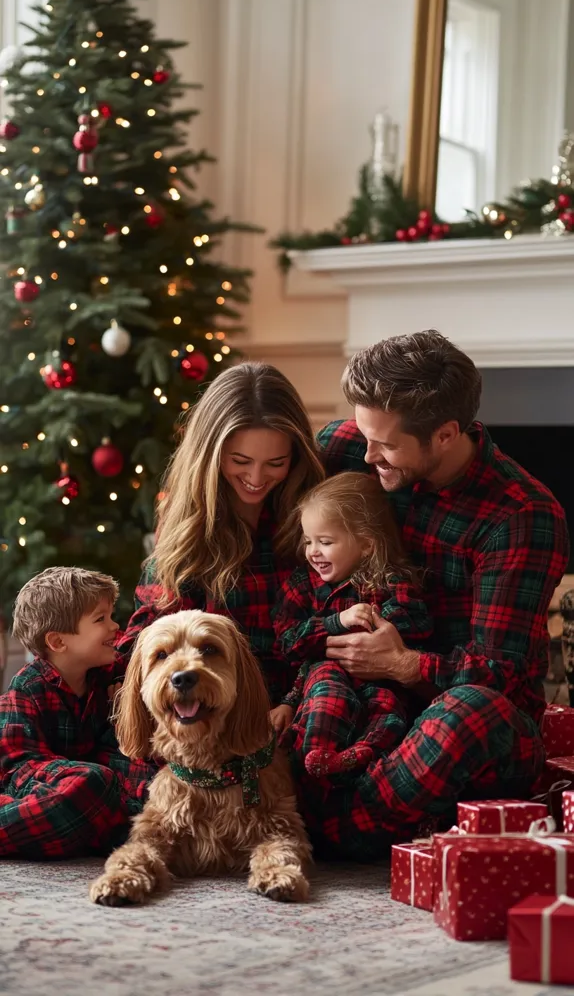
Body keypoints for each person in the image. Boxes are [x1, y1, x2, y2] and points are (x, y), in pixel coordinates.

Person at [291, 329, 569, 860]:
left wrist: (403, 664)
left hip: (454, 724)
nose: (367, 453)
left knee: (471, 710)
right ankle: (339, 810)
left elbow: (501, 676)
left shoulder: (520, 515)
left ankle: (333, 829)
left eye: (386, 444)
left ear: (444, 435)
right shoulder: (347, 447)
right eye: (364, 432)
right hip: (359, 707)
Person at [116, 362, 325, 705]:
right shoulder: (187, 520)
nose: (256, 478)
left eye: (276, 463)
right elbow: (157, 622)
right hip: (215, 704)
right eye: (240, 460)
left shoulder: (316, 512)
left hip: (304, 698)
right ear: (210, 453)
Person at [270, 472, 432, 776]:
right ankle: (315, 760)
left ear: (366, 544)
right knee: (326, 684)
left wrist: (381, 624)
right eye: (308, 541)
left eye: (325, 542)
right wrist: (336, 623)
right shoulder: (303, 586)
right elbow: (288, 643)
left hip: (379, 679)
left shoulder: (389, 581)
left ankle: (361, 753)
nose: (313, 552)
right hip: (320, 681)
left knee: (388, 707)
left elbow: (417, 622)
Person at [0, 567, 156, 859]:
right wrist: (77, 777)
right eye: (100, 619)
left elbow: (118, 751)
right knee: (93, 783)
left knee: (156, 788)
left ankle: (89, 827)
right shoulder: (27, 688)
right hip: (42, 789)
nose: (115, 626)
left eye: (111, 615)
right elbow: (18, 769)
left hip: (94, 787)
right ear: (58, 642)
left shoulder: (107, 674)